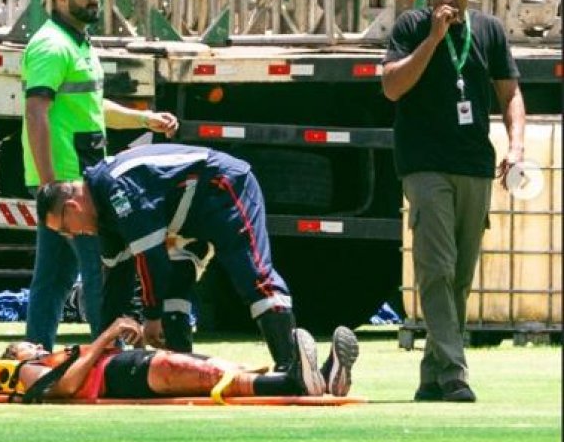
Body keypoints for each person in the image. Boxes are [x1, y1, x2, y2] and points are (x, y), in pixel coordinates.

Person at [35, 143, 360, 396]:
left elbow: (151, 259)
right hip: (185, 216)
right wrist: (106, 349)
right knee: (174, 289)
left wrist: (150, 317)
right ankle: (320, 374)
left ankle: (291, 367)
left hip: (223, 188)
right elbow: (116, 284)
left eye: (65, 228)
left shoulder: (118, 189)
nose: (72, 235)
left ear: (72, 207)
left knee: (253, 276)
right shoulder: (104, 216)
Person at [382, 0, 525, 403]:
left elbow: (510, 93)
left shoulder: (489, 31)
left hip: (474, 164)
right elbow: (392, 87)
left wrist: (516, 146)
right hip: (425, 163)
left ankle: (432, 375)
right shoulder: (412, 27)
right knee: (437, 267)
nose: (443, 1)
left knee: (460, 275)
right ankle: (455, 372)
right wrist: (433, 39)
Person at [22, 0, 178, 351]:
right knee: (100, 272)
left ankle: (37, 355)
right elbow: (36, 112)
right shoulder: (51, 45)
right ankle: (109, 359)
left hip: (78, 179)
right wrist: (50, 186)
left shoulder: (79, 42)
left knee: (54, 278)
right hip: (69, 184)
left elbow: (91, 106)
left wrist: (143, 119)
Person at [0, 315, 360, 402]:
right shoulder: (24, 371)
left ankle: (324, 376)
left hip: (121, 367)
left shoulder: (47, 359)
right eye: (25, 345)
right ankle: (297, 381)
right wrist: (106, 336)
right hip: (115, 376)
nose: (35, 345)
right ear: (14, 358)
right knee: (192, 371)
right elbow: (67, 386)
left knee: (204, 366)